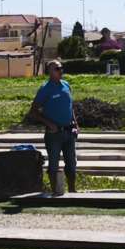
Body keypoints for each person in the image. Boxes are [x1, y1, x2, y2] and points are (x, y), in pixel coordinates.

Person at [27, 59, 78, 195]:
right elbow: (33, 111)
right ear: (49, 71)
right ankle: (55, 191)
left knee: (71, 164)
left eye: (61, 68)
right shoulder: (45, 89)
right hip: (54, 134)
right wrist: (49, 123)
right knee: (54, 164)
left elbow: (70, 107)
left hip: (69, 132)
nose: (60, 70)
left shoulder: (66, 85)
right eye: (57, 68)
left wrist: (75, 124)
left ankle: (73, 191)